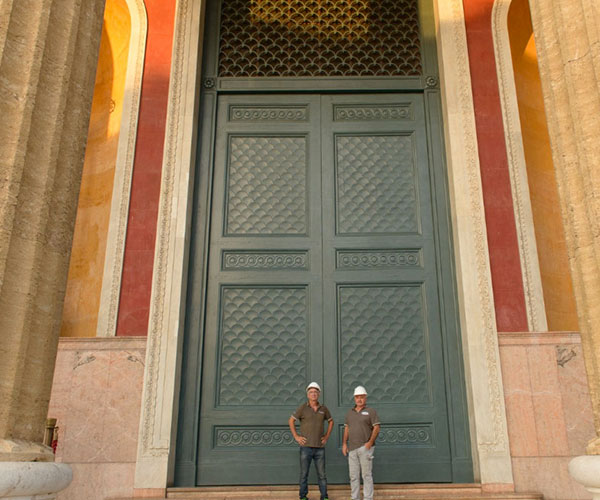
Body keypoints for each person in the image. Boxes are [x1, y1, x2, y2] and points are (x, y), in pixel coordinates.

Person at [289, 382, 333, 500]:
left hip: (320, 448)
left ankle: (324, 497)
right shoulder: (302, 408)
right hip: (306, 448)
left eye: (315, 392)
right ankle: (303, 496)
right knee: (304, 474)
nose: (313, 394)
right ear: (308, 394)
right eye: (311, 392)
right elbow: (291, 421)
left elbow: (331, 421)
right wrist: (296, 436)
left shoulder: (323, 409)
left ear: (319, 394)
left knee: (322, 475)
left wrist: (326, 436)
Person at [342, 385, 380, 500]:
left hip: (365, 448)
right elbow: (347, 428)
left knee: (366, 475)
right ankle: (355, 498)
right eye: (357, 397)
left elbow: (377, 427)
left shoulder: (371, 411)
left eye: (362, 397)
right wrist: (344, 444)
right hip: (352, 448)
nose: (359, 399)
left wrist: (369, 443)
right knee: (353, 476)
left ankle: (368, 498)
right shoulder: (349, 413)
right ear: (354, 398)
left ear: (365, 398)